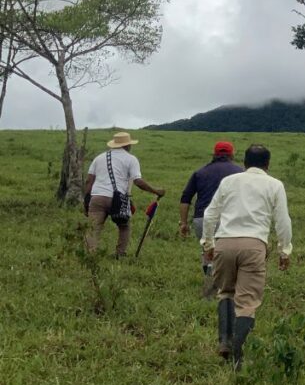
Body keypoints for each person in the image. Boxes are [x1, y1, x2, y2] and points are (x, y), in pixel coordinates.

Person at [201, 144, 292, 369]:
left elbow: (210, 213)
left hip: (224, 242)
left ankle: (224, 341)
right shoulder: (275, 185)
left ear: (244, 162)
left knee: (225, 292)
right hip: (254, 245)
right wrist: (284, 250)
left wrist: (208, 243)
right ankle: (238, 357)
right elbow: (282, 220)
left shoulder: (229, 182)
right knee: (247, 302)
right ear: (268, 164)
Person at [83, 131, 166, 257]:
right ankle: (120, 254)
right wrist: (156, 191)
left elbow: (89, 181)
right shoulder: (131, 159)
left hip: (97, 197)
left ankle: (90, 255)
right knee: (124, 227)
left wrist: (86, 202)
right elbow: (138, 181)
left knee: (93, 229)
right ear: (127, 146)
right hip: (118, 199)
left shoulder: (99, 158)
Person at [179, 141, 244, 277]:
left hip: (201, 219)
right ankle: (224, 284)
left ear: (214, 154)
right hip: (229, 218)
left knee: (207, 250)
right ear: (232, 154)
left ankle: (210, 281)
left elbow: (185, 198)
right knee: (228, 252)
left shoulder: (200, 172)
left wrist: (184, 223)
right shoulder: (240, 173)